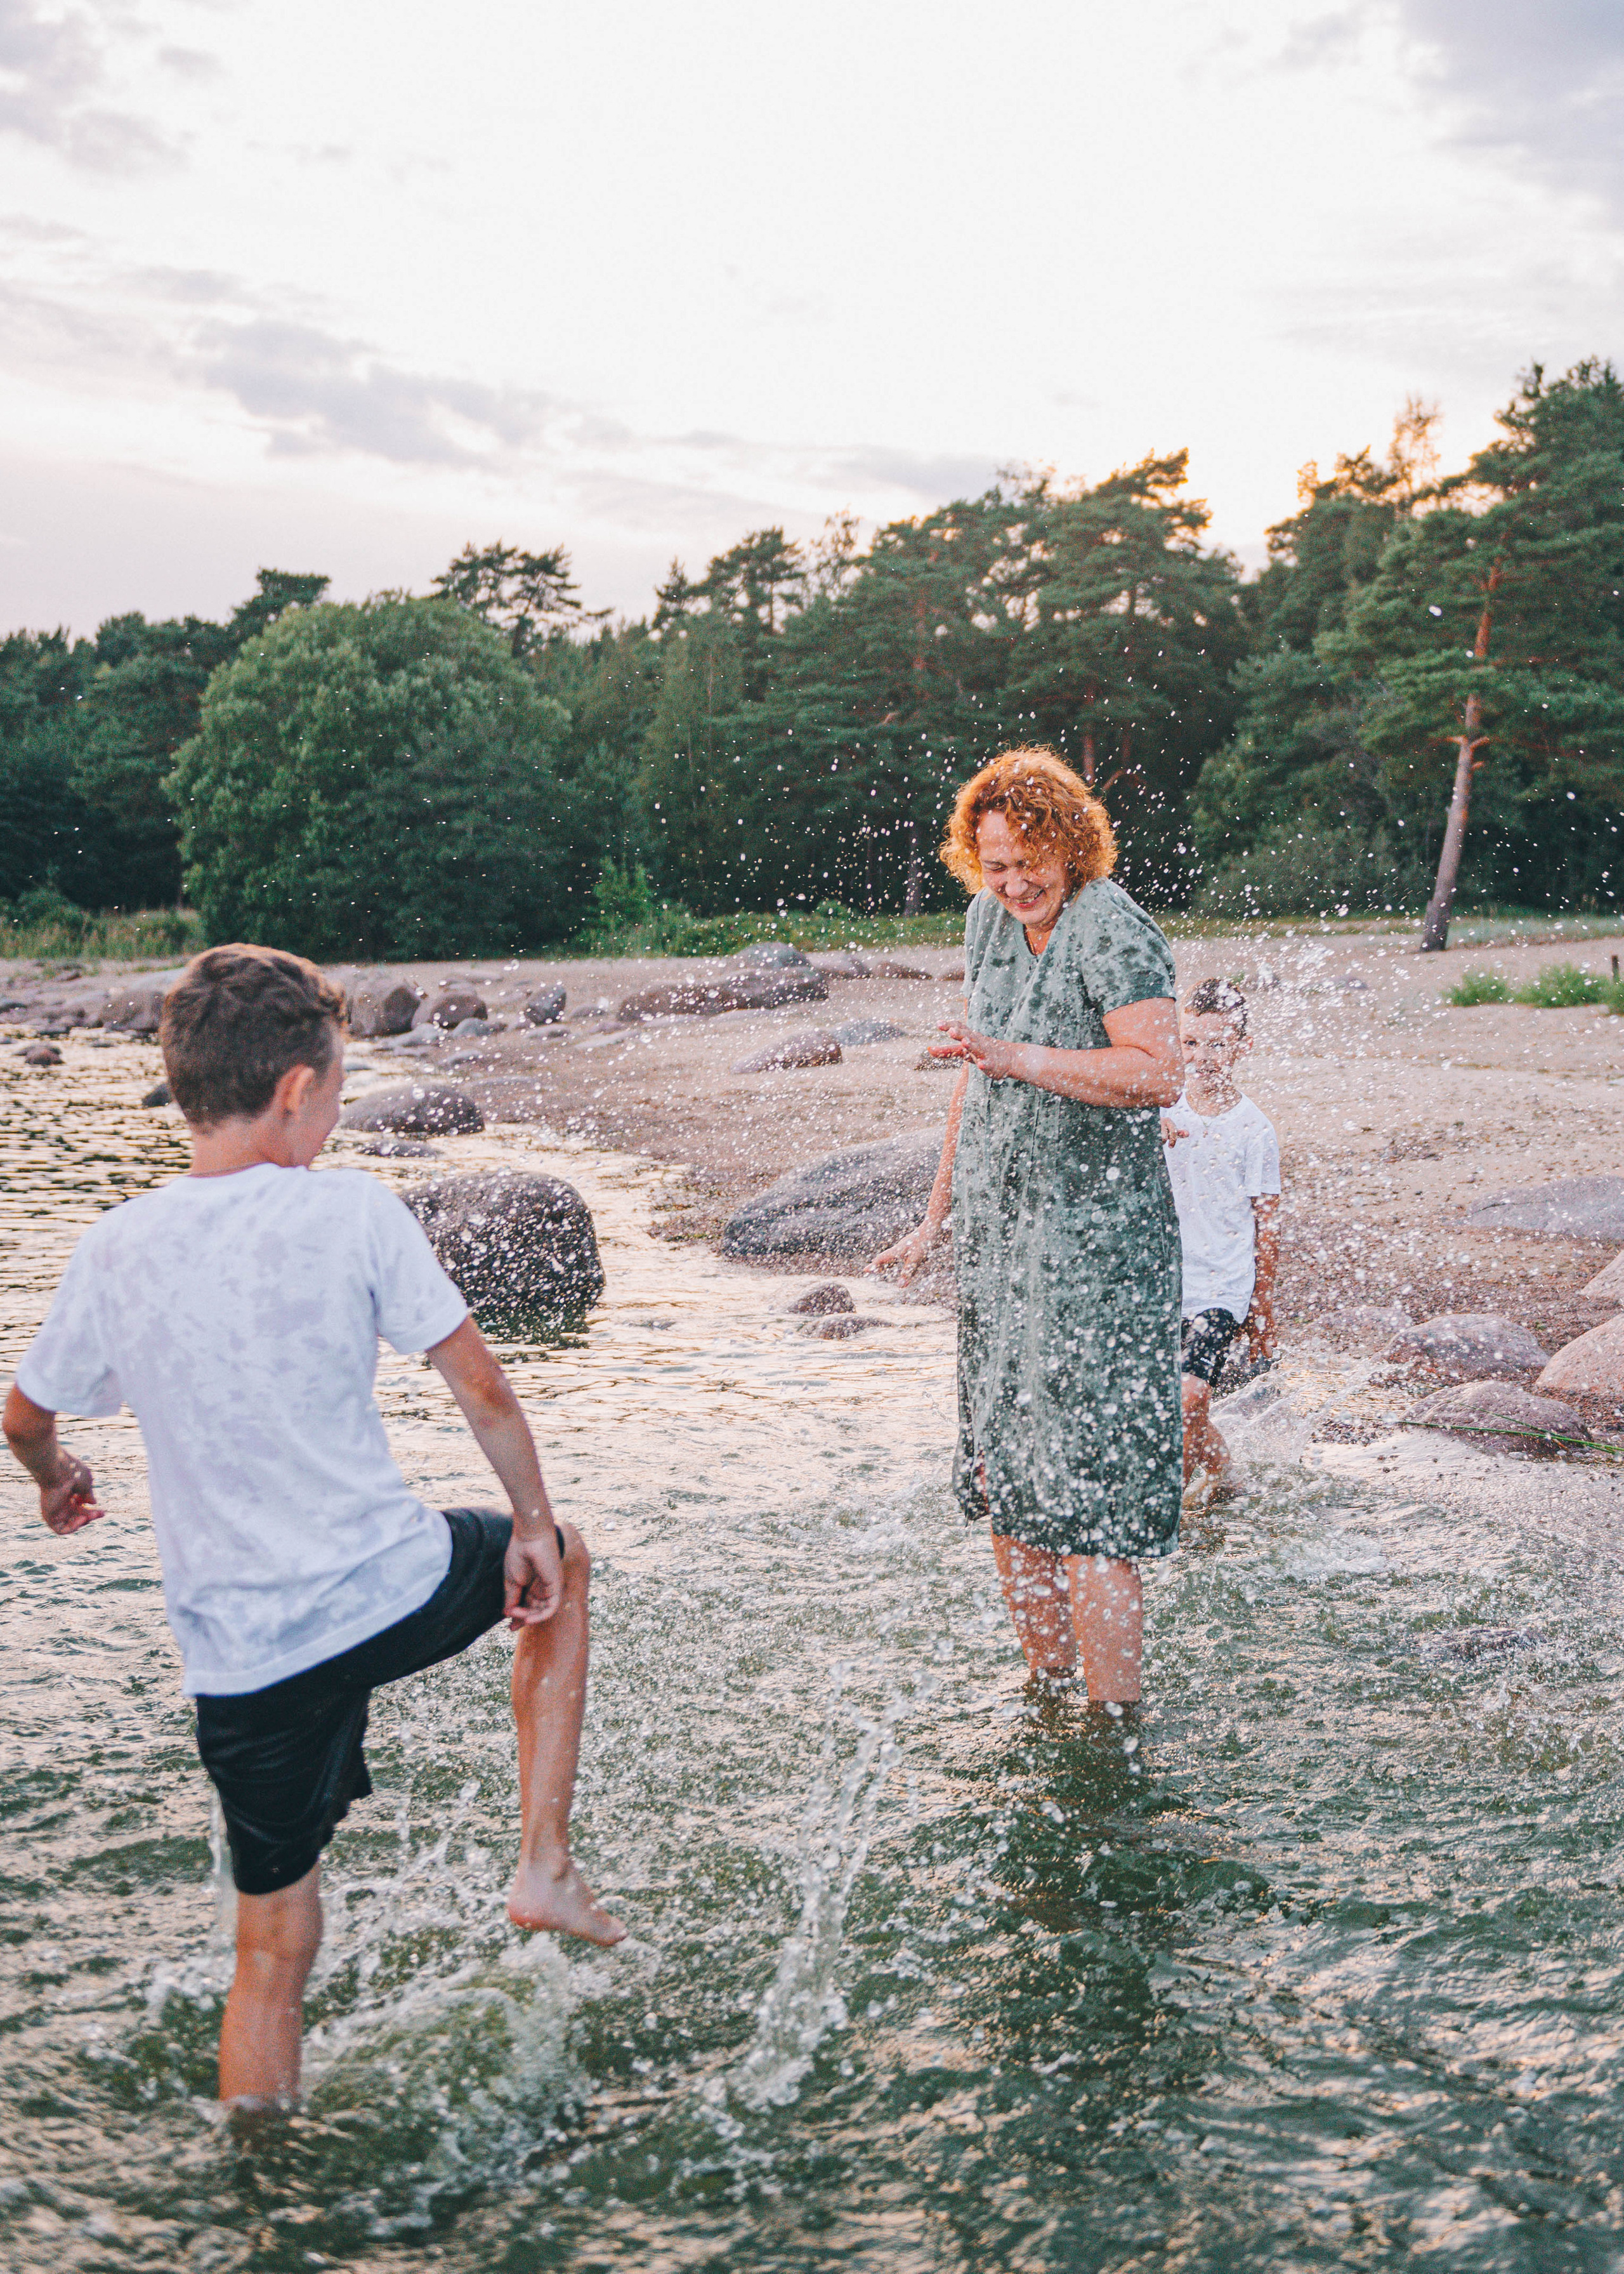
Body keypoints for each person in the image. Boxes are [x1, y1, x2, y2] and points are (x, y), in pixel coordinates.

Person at [3, 945, 622, 2113]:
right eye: (337, 1093)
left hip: (244, 1659)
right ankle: (542, 1860)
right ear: (296, 1089)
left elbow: (25, 1412)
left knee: (270, 1952)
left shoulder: (114, 1245)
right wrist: (531, 1524)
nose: (336, 1118)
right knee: (569, 1561)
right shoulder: (348, 1206)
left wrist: (56, 1474)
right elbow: (483, 1386)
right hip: (383, 1588)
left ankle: (262, 2182)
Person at [873, 748, 1184, 1707]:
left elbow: (1157, 1071)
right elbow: (979, 1068)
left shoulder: (1110, 923)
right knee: (1008, 1474)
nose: (1014, 884)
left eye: (1028, 860)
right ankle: (1048, 1697)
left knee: (1088, 1493)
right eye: (994, 864)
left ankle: (1113, 1732)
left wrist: (1022, 1056)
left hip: (1098, 1253)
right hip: (1003, 1246)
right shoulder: (985, 923)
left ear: (1070, 841)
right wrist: (936, 1219)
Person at [1160, 979, 1281, 1498]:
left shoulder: (1255, 1130)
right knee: (1165, 1401)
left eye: (1217, 1044)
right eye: (1191, 1043)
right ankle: (1224, 1472)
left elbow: (1267, 1225)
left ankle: (1167, 1516)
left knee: (1188, 1398)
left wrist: (1263, 1309)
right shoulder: (1159, 1108)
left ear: (1241, 1048)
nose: (1203, 1057)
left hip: (1222, 1285)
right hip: (1162, 1279)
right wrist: (1146, 1124)